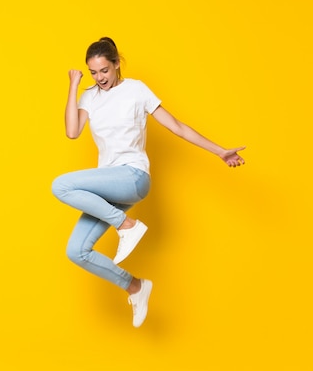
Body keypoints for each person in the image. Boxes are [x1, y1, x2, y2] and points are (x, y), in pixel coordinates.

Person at [52, 37, 245, 328]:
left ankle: (125, 225)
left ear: (116, 64)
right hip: (109, 185)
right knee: (76, 251)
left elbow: (177, 127)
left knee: (61, 185)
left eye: (104, 70)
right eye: (93, 72)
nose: (100, 78)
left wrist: (219, 151)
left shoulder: (136, 90)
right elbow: (72, 131)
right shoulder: (89, 96)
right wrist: (73, 86)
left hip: (133, 176)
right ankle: (135, 287)